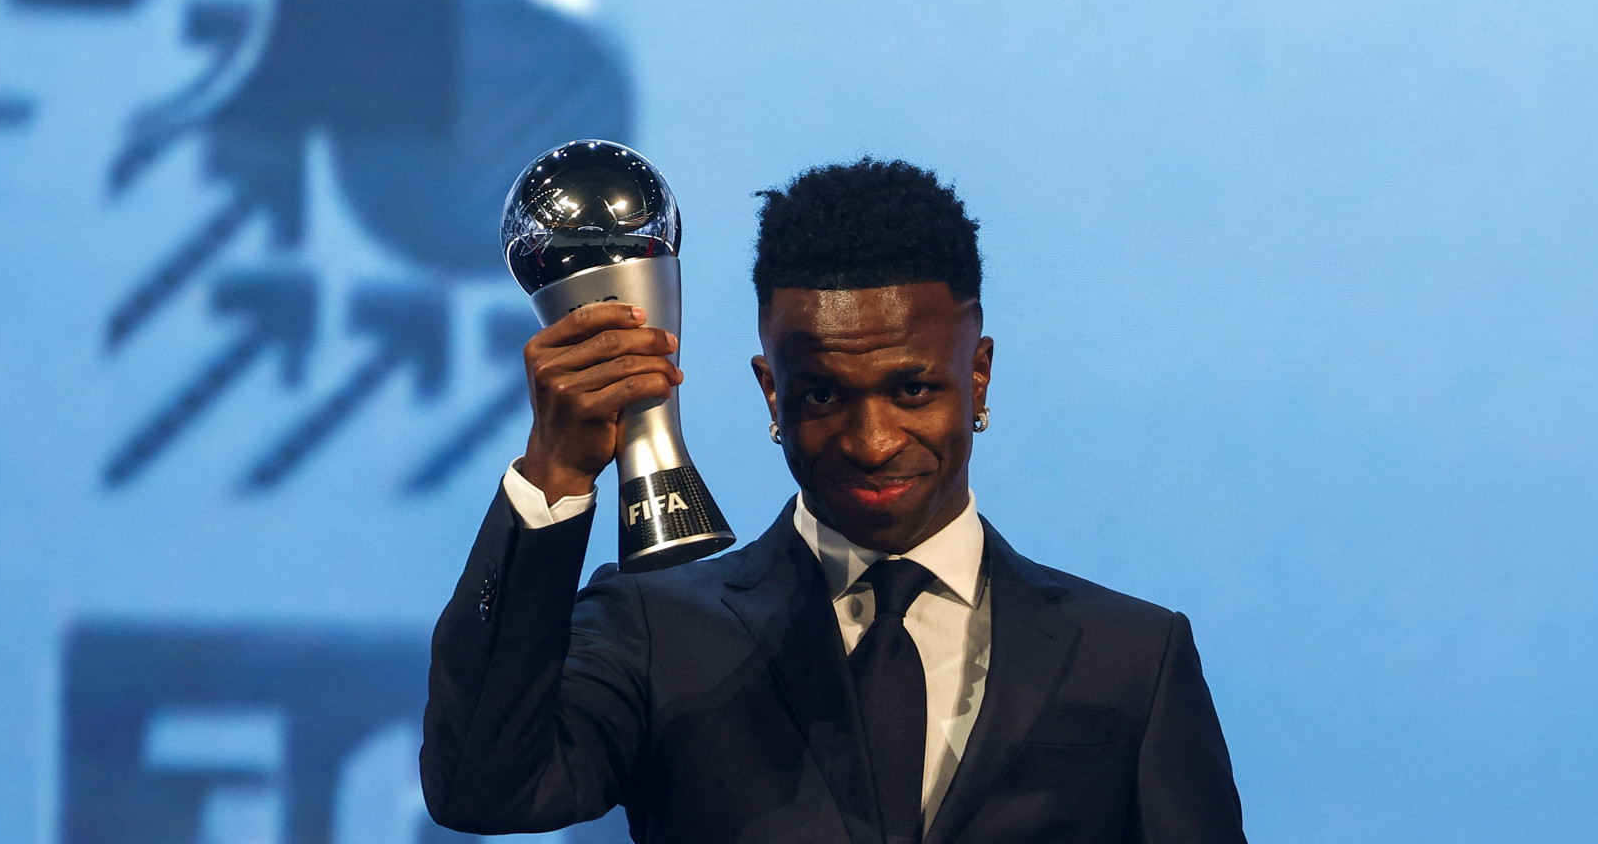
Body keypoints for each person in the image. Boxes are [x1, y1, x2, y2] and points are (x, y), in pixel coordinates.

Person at [423, 158, 1247, 842]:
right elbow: (484, 791)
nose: (872, 440)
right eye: (822, 396)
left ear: (979, 375)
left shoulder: (1132, 659)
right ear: (771, 395)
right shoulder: (656, 632)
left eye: (913, 388)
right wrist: (554, 478)